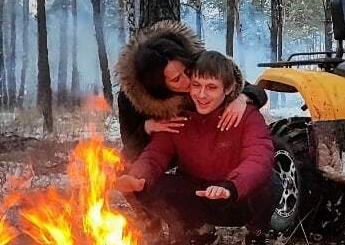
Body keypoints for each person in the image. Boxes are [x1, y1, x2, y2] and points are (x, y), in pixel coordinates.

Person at [115, 51, 279, 245]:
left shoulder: (246, 115)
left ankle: (258, 233)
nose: (201, 95)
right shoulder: (179, 118)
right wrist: (137, 178)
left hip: (236, 197)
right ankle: (200, 230)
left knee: (269, 180)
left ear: (227, 88)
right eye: (196, 85)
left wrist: (231, 186)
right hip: (200, 194)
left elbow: (259, 158)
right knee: (150, 185)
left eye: (211, 87)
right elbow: (155, 155)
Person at [114, 20, 268, 162]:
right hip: (163, 164)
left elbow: (255, 90)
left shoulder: (199, 66)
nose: (189, 81)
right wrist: (147, 127)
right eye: (176, 79)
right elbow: (129, 153)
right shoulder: (133, 98)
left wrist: (243, 97)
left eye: (187, 71)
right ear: (159, 85)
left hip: (212, 156)